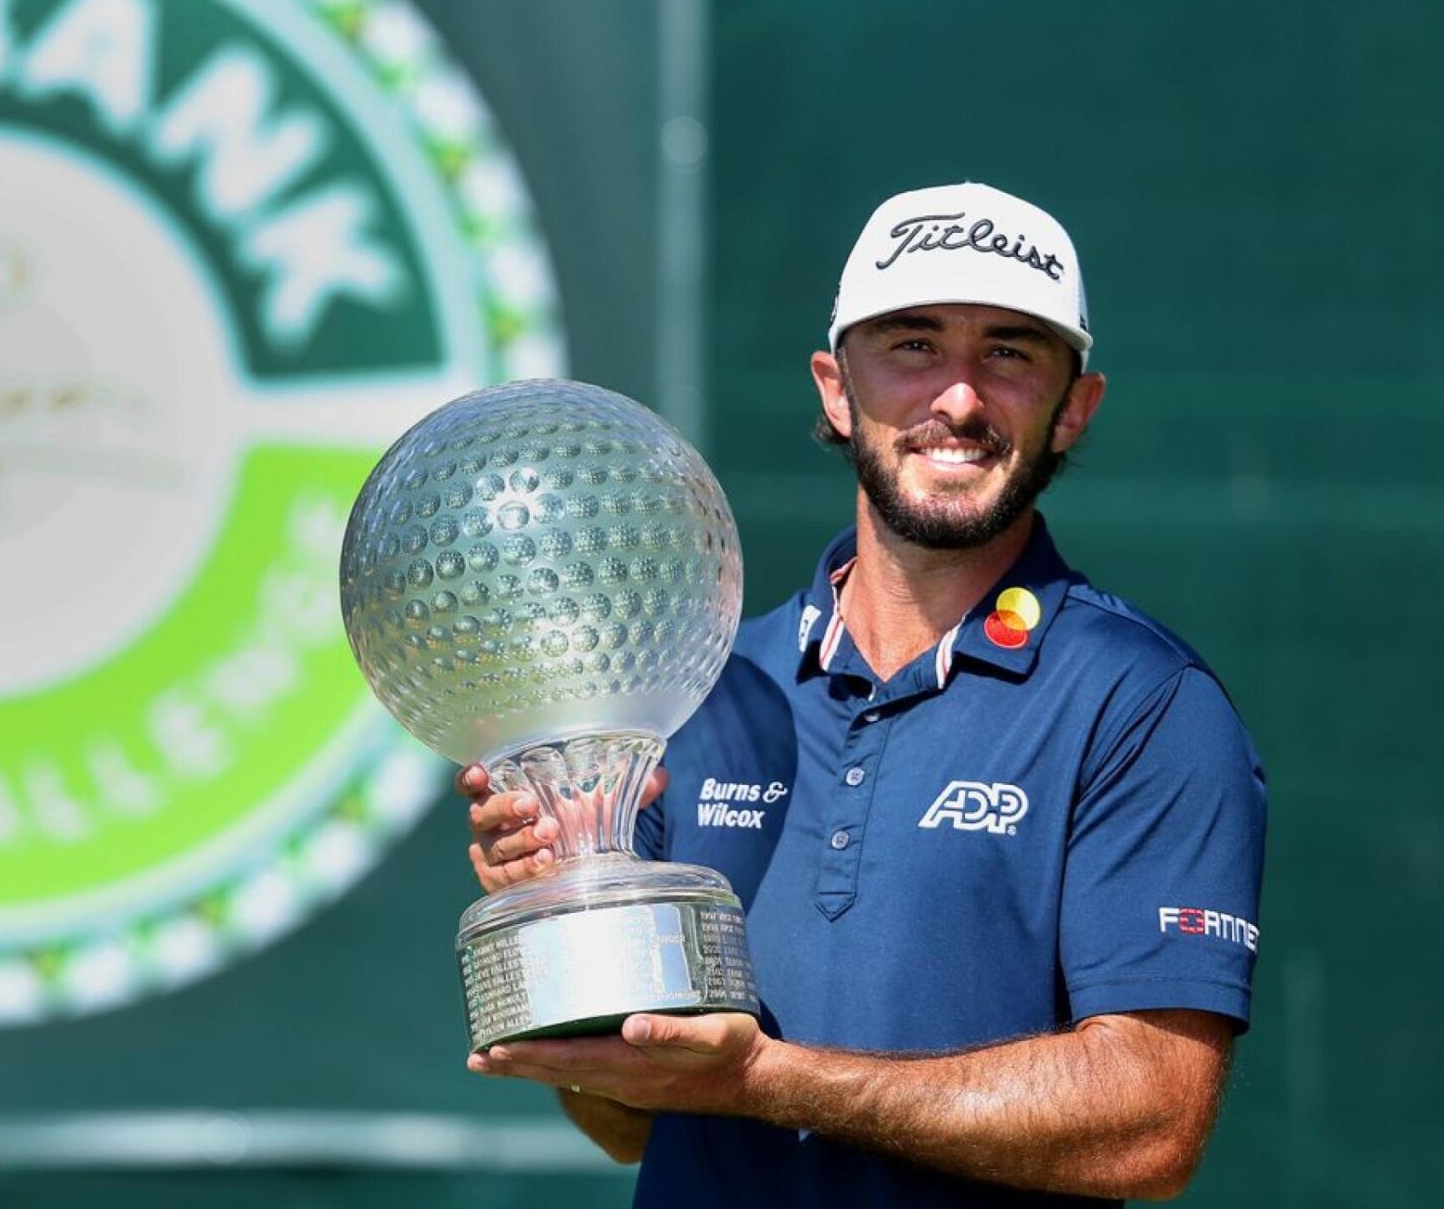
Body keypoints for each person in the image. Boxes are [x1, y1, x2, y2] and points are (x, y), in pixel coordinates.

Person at [459, 183, 1267, 1206]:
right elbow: (624, 1122)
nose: (959, 399)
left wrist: (761, 1080)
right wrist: (565, 916)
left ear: (1075, 408)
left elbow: (1151, 1125)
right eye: (913, 346)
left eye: (1010, 353)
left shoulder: (1146, 705)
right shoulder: (699, 697)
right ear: (835, 388)